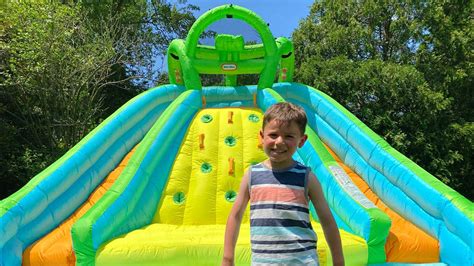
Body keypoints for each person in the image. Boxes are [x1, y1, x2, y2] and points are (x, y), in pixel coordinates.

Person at [222, 102, 344, 265]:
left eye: (289, 136)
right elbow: (235, 216)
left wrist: (338, 260)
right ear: (261, 136)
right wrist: (228, 257)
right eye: (273, 135)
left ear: (302, 140)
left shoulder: (307, 178)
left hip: (302, 261)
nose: (279, 142)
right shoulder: (252, 175)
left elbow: (327, 221)